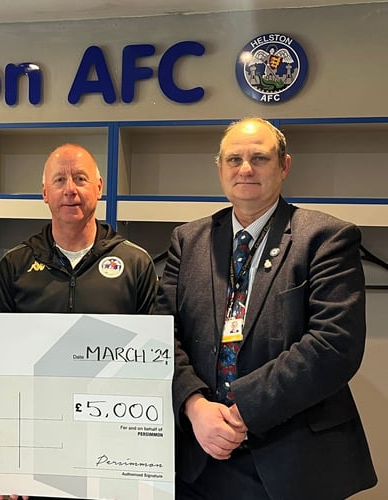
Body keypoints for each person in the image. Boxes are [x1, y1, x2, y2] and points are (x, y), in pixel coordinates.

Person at [155, 117, 377, 499]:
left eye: (259, 158)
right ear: (220, 168)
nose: (245, 169)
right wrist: (195, 406)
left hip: (292, 462)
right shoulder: (187, 240)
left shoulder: (326, 238)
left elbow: (333, 345)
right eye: (233, 159)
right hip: (199, 457)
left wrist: (243, 411)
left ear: (284, 166)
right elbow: (160, 335)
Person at [0, 143, 157, 314]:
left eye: (80, 178)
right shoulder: (15, 264)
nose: (70, 190)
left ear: (99, 188)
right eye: (59, 180)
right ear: (45, 193)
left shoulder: (136, 263)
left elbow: (152, 339)